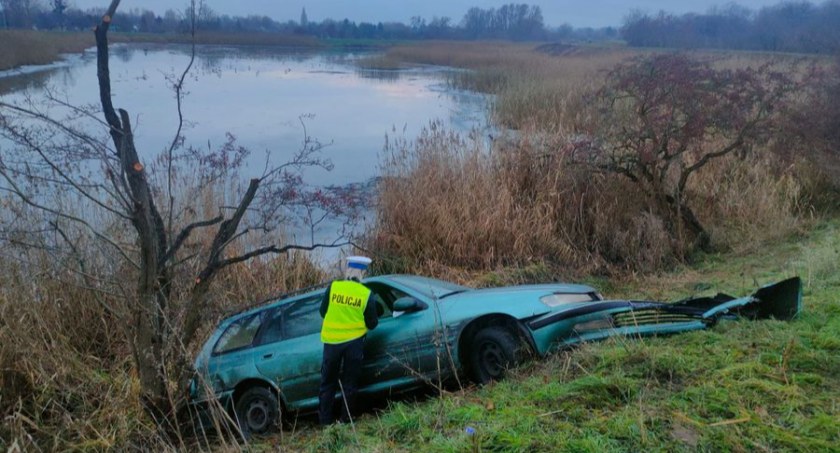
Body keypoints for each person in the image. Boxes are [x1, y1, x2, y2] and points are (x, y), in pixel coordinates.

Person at [318, 255, 378, 426]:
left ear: (348, 270)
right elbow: (372, 323)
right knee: (349, 384)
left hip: (331, 342)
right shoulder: (366, 294)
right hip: (354, 343)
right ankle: (346, 421)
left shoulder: (334, 287)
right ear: (362, 273)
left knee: (327, 384)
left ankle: (325, 422)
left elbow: (322, 312)